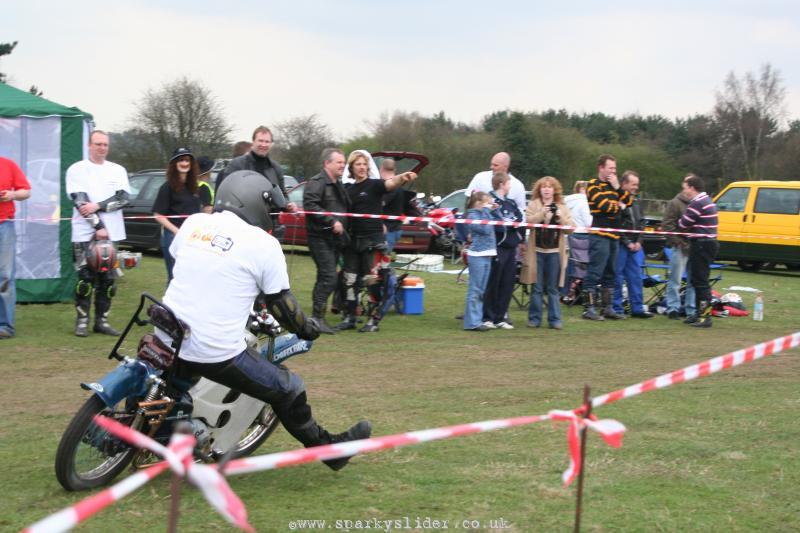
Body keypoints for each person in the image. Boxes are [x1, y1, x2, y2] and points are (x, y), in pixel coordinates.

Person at [165, 170, 371, 470]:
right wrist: (307, 329)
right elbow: (283, 307)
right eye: (269, 208)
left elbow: (190, 262)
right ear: (251, 202)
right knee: (289, 387)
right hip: (214, 350)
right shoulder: (263, 244)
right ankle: (331, 452)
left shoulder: (195, 223)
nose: (271, 216)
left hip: (167, 330)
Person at [335, 150, 417, 333]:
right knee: (349, 281)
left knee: (372, 282)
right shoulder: (347, 189)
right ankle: (350, 317)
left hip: (373, 242)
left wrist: (402, 177)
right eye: (358, 164)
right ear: (352, 168)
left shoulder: (375, 185)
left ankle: (373, 321)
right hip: (352, 241)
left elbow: (390, 183)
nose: (362, 167)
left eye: (365, 164)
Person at [65, 131, 131, 337]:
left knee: (108, 281)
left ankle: (102, 321)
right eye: (98, 144)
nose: (102, 148)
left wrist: (98, 205)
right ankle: (82, 321)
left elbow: (123, 198)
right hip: (84, 234)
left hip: (113, 234)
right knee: (85, 280)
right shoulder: (77, 169)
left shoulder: (118, 170)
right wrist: (98, 227)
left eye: (105, 145)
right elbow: (80, 202)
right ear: (89, 145)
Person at [303, 148, 349, 334]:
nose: (342, 165)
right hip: (319, 237)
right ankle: (317, 318)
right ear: (327, 163)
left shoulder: (338, 183)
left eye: (343, 162)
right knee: (329, 276)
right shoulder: (317, 183)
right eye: (339, 162)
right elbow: (310, 205)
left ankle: (317, 317)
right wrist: (332, 221)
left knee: (326, 277)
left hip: (334, 239)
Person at [582, 154, 632, 321]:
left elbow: (629, 202)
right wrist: (619, 207)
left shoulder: (614, 186)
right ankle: (588, 308)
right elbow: (603, 206)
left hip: (614, 235)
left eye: (615, 169)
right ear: (601, 168)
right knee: (595, 271)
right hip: (600, 234)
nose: (613, 171)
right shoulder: (593, 185)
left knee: (611, 273)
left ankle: (607, 308)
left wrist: (618, 188)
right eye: (610, 168)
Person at [153, 148, 213, 282]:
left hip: (194, 238)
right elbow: (158, 214)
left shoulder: (197, 187)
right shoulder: (167, 187)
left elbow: (206, 211)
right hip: (173, 237)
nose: (184, 163)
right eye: (181, 160)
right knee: (175, 278)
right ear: (174, 164)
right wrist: (177, 231)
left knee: (192, 278)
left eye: (187, 160)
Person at [522, 176, 574, 329]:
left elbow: (570, 228)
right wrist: (541, 214)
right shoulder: (533, 204)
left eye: (550, 186)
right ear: (539, 189)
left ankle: (555, 320)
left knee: (553, 288)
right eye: (543, 186)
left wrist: (559, 218)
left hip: (554, 253)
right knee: (537, 287)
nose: (546, 189)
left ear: (554, 190)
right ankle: (534, 319)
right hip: (536, 252)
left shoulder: (562, 206)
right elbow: (528, 223)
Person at [215, 126, 297, 213]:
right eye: (260, 141)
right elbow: (226, 192)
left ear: (271, 144)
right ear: (253, 142)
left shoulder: (276, 168)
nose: (263, 145)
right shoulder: (237, 164)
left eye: (267, 141)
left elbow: (283, 196)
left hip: (269, 221)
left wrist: (288, 205)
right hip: (242, 220)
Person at [481, 172, 523, 329]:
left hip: (511, 247)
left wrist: (513, 223)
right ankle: (488, 317)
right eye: (508, 182)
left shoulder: (511, 203)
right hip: (497, 247)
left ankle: (501, 317)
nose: (510, 185)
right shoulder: (490, 200)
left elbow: (518, 218)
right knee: (494, 281)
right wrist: (505, 223)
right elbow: (492, 221)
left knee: (507, 282)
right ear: (501, 184)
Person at [611, 171, 654, 318]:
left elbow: (642, 223)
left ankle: (637, 308)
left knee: (635, 277)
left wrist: (639, 241)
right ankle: (617, 309)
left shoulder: (636, 201)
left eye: (637, 184)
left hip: (635, 246)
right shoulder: (617, 200)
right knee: (617, 276)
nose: (636, 187)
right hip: (621, 245)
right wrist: (627, 242)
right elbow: (617, 224)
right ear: (624, 184)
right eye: (633, 184)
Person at [678, 175, 719, 328]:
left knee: (700, 281)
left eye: (685, 188)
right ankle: (698, 313)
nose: (684, 191)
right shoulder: (706, 201)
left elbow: (683, 224)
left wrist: (680, 221)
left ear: (692, 188)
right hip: (706, 243)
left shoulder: (698, 203)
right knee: (697, 280)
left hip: (702, 244)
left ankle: (705, 316)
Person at [0, 157, 31, 339]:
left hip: (4, 225)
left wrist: (11, 195)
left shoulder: (8, 164)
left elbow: (26, 192)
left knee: (4, 276)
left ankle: (5, 326)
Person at [661, 176, 696, 320]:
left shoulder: (697, 203)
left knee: (692, 282)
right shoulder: (674, 203)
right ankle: (673, 307)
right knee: (675, 280)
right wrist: (677, 242)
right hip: (679, 247)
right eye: (688, 184)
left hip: (694, 247)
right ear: (684, 185)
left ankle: (690, 309)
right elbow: (667, 225)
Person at [463, 192, 496, 332]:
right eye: (487, 202)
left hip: (487, 254)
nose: (489, 204)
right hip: (477, 256)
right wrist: (488, 211)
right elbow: (485, 229)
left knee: (481, 290)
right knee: (475, 290)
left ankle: (477, 319)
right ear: (479, 203)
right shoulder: (473, 215)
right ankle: (472, 323)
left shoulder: (484, 214)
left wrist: (492, 210)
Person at [380, 158, 421, 254]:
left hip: (387, 230)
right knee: (384, 259)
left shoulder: (389, 187)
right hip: (396, 228)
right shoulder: (399, 188)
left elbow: (381, 204)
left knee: (382, 260)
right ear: (394, 170)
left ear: (381, 169)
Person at [562, 180, 592, 297]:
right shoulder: (584, 202)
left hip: (571, 233)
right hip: (584, 235)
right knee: (584, 264)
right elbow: (588, 222)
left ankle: (567, 290)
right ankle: (583, 291)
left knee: (572, 263)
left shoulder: (568, 201)